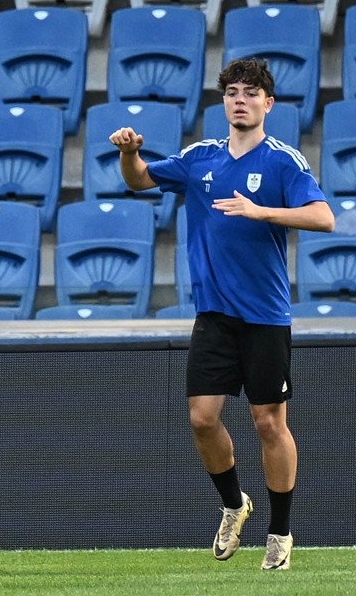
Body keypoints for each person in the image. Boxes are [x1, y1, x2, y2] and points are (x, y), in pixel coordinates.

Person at [109, 58, 334, 570]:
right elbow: (140, 180)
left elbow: (323, 216)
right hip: (214, 315)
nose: (240, 100)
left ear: (267, 104)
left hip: (265, 316)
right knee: (202, 419)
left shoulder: (283, 162)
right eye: (232, 92)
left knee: (268, 423)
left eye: (250, 93)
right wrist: (130, 153)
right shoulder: (201, 157)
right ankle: (234, 505)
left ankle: (280, 532)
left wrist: (262, 211)